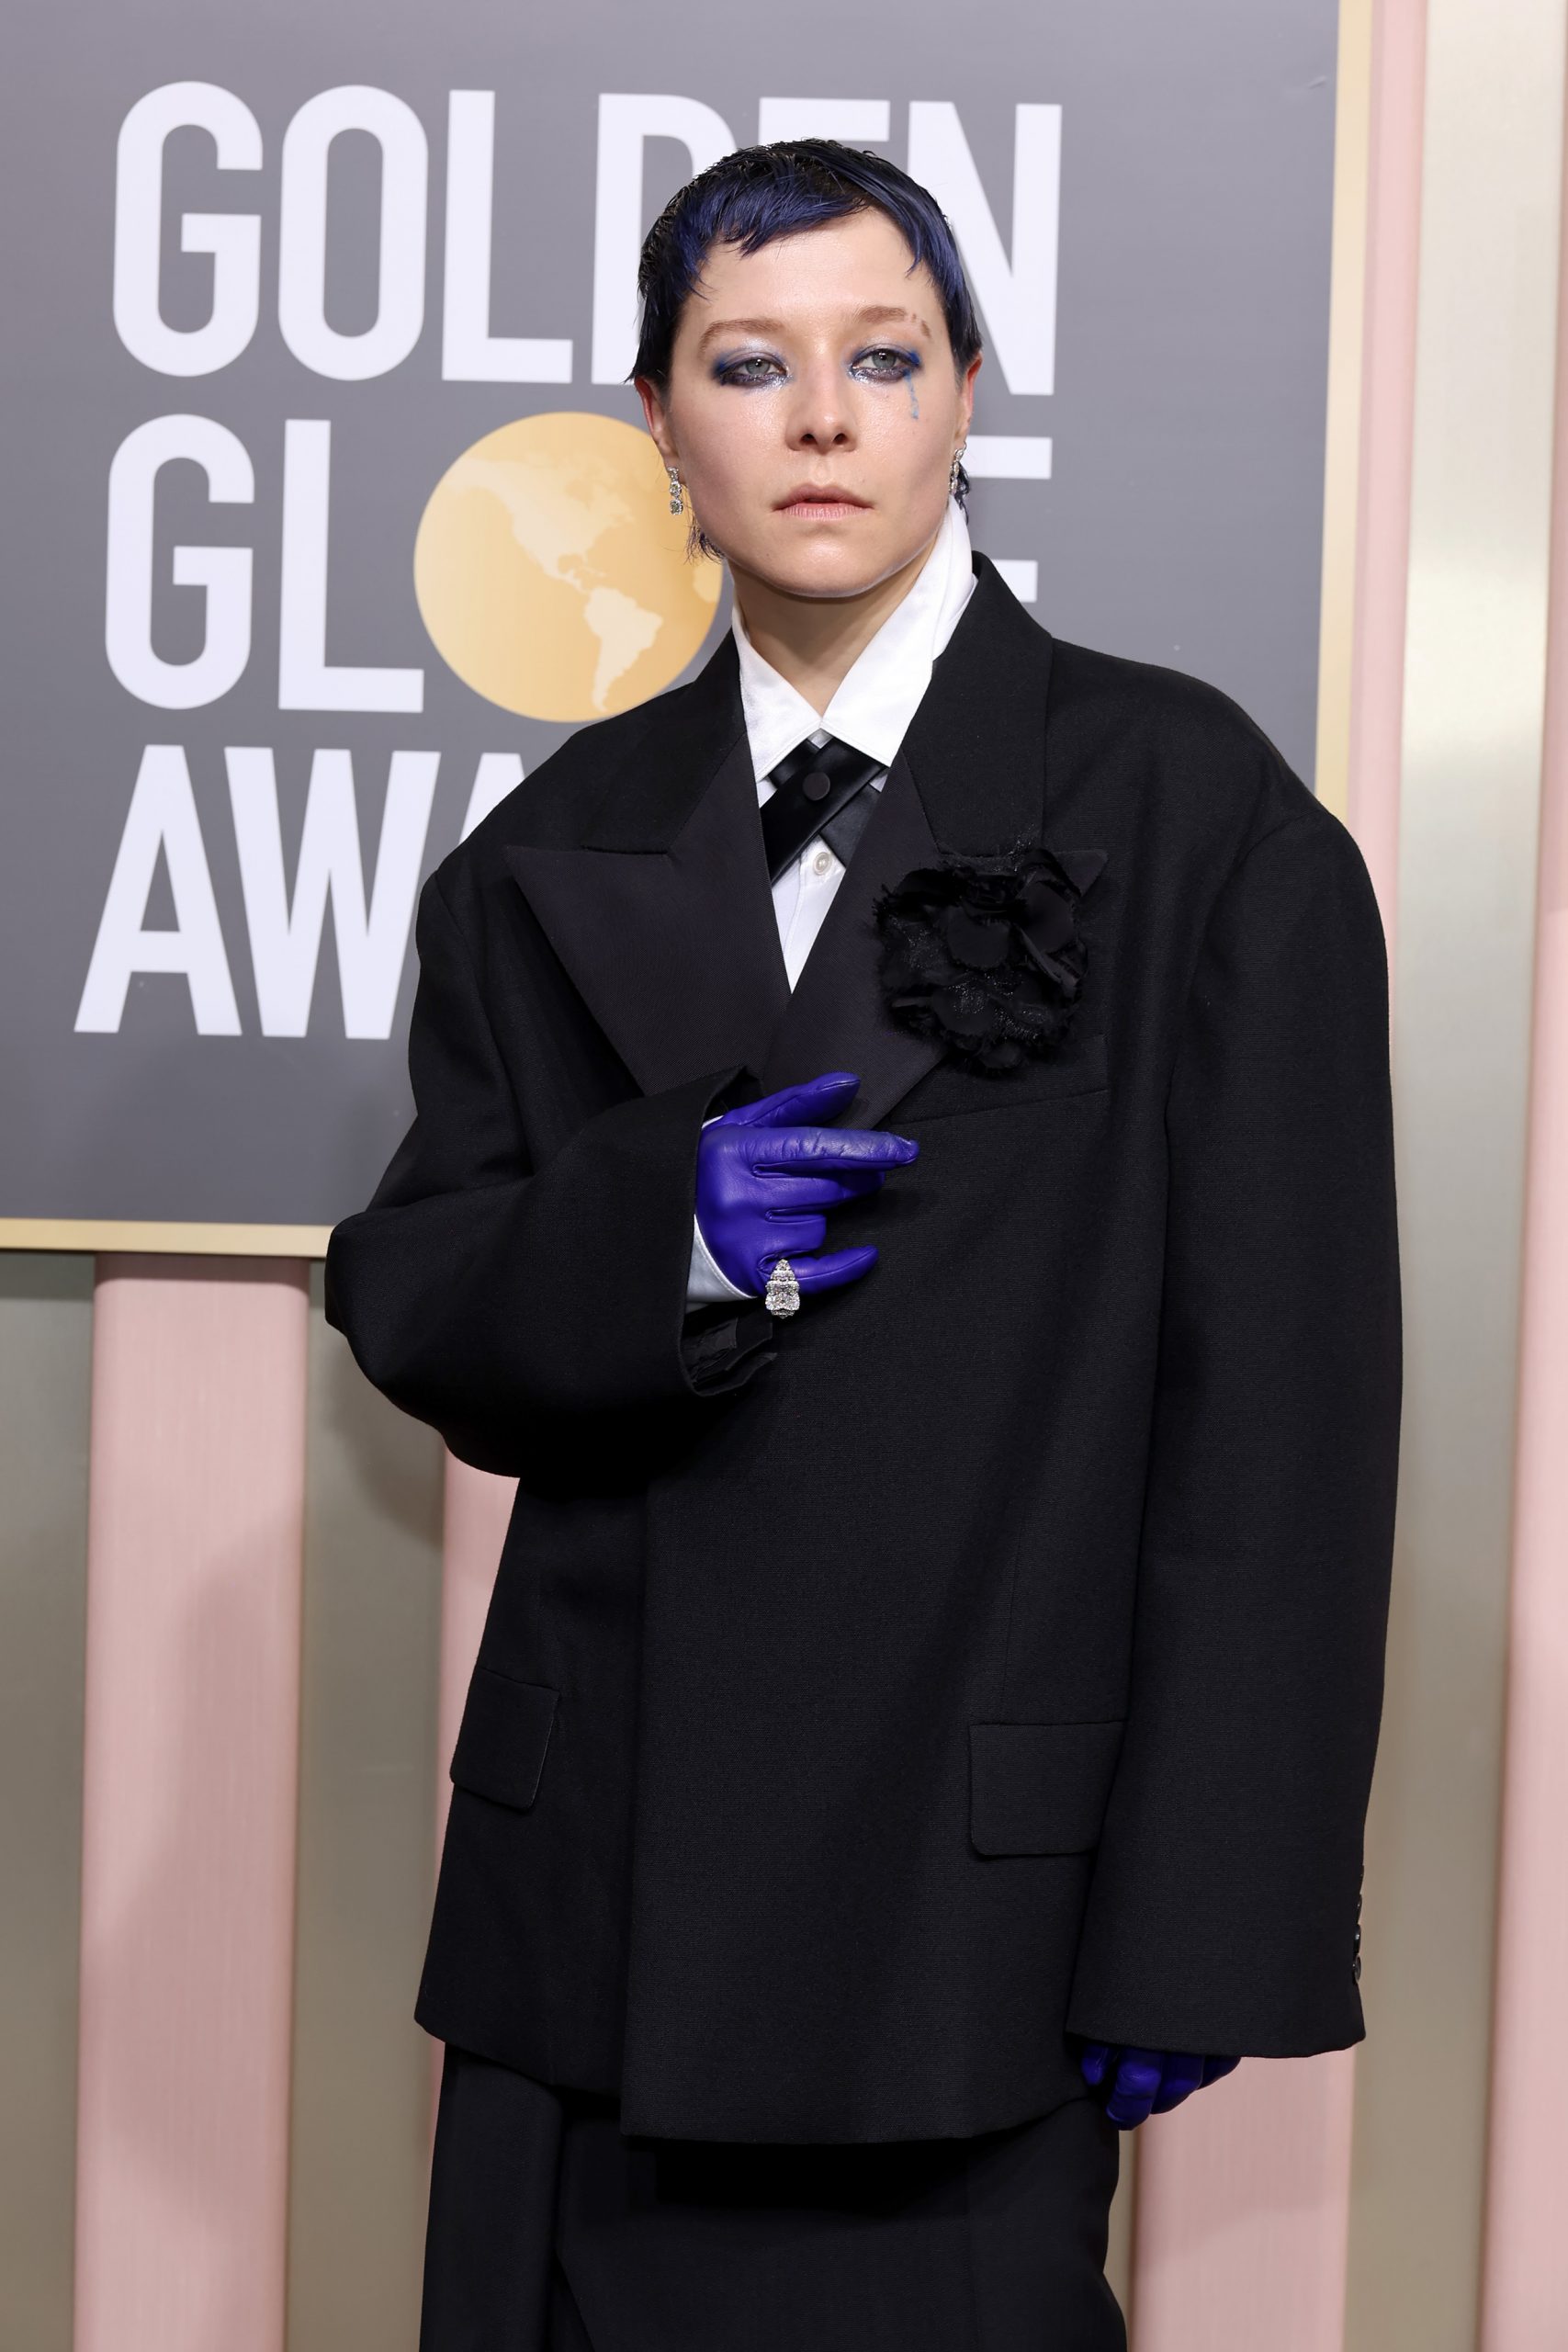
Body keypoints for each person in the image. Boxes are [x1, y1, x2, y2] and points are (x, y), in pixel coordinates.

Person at [324, 138, 1401, 2352]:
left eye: (880, 358)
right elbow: (420, 1287)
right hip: (594, 1911)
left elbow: (1280, 1421)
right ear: (656, 422)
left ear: (964, 393)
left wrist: (1200, 1911)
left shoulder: (1188, 808)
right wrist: (662, 1238)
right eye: (748, 364)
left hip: (962, 1929)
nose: (819, 418)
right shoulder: (549, 844)